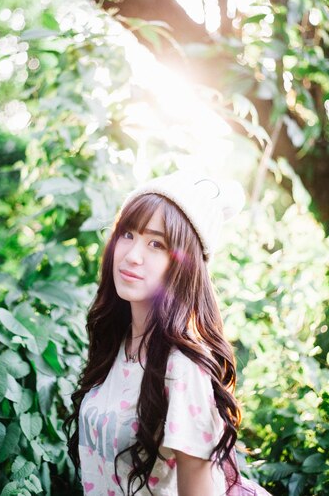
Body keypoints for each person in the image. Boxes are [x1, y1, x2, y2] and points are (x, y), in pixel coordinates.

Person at [67, 170, 271, 496]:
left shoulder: (183, 370)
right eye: (128, 234)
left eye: (156, 244)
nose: (132, 256)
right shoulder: (117, 344)